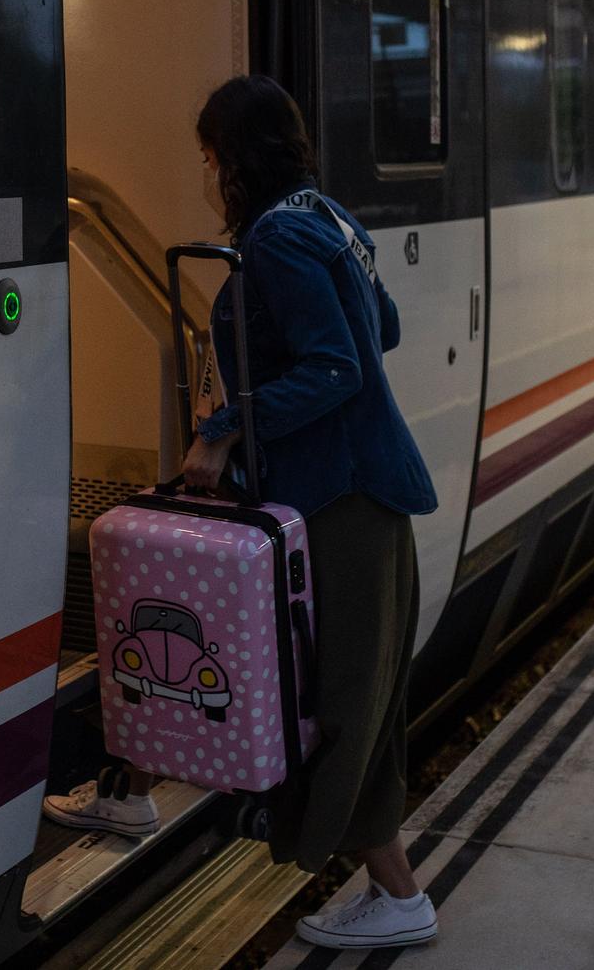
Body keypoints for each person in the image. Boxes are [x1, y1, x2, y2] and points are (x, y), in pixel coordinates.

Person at [43, 75, 440, 950]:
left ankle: (400, 893)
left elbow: (340, 363)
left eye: (212, 154)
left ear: (234, 156)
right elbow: (387, 326)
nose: (211, 170)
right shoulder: (327, 216)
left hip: (340, 502)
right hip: (344, 495)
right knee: (262, 659)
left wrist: (223, 430)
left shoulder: (279, 238)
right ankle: (130, 783)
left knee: (336, 701)